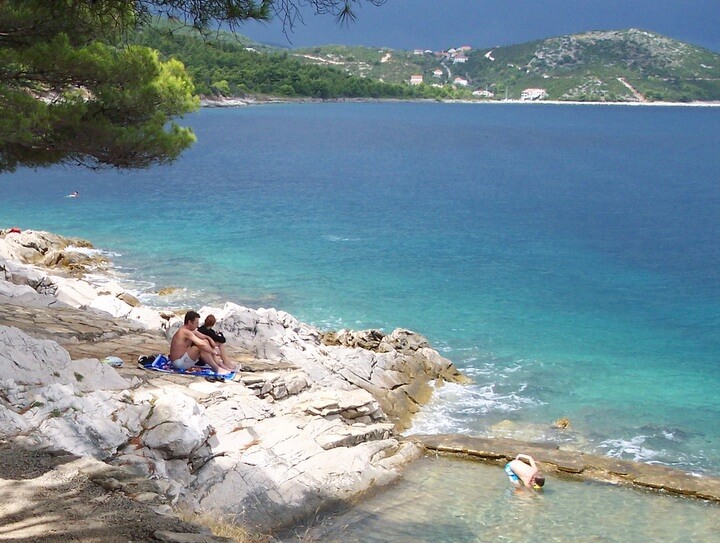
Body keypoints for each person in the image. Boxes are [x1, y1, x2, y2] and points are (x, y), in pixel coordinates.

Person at [169, 310, 231, 375]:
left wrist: (208, 338)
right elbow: (201, 344)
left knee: (205, 342)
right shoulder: (185, 332)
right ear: (190, 322)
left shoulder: (190, 330)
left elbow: (204, 337)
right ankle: (217, 368)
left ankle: (220, 366)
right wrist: (213, 351)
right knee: (199, 348)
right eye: (196, 323)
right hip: (178, 363)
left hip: (183, 359)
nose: (198, 325)